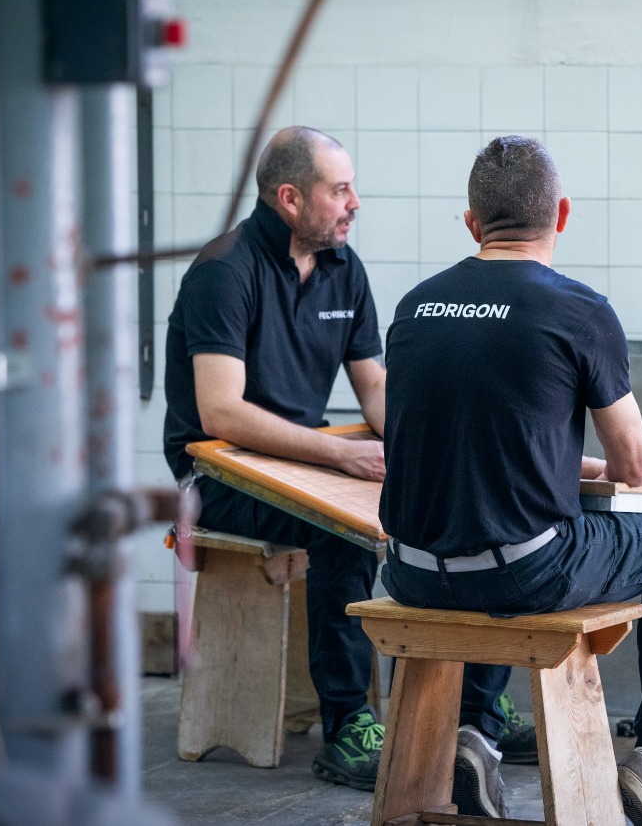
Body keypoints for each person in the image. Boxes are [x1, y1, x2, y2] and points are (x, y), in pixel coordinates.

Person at [378, 135, 642, 826]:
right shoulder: (578, 311)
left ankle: (474, 736)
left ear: (472, 222)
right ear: (560, 214)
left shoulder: (414, 307)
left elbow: (464, 446)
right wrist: (622, 452)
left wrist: (562, 465)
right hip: (521, 575)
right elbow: (637, 467)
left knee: (503, 523)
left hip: (407, 571)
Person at [162, 127, 390, 791]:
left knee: (429, 503)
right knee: (343, 528)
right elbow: (220, 412)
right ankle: (348, 723)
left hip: (296, 462)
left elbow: (374, 386)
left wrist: (425, 446)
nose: (355, 202)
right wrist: (335, 456)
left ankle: (473, 702)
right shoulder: (225, 269)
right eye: (340, 189)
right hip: (215, 473)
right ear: (290, 198)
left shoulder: (346, 267)